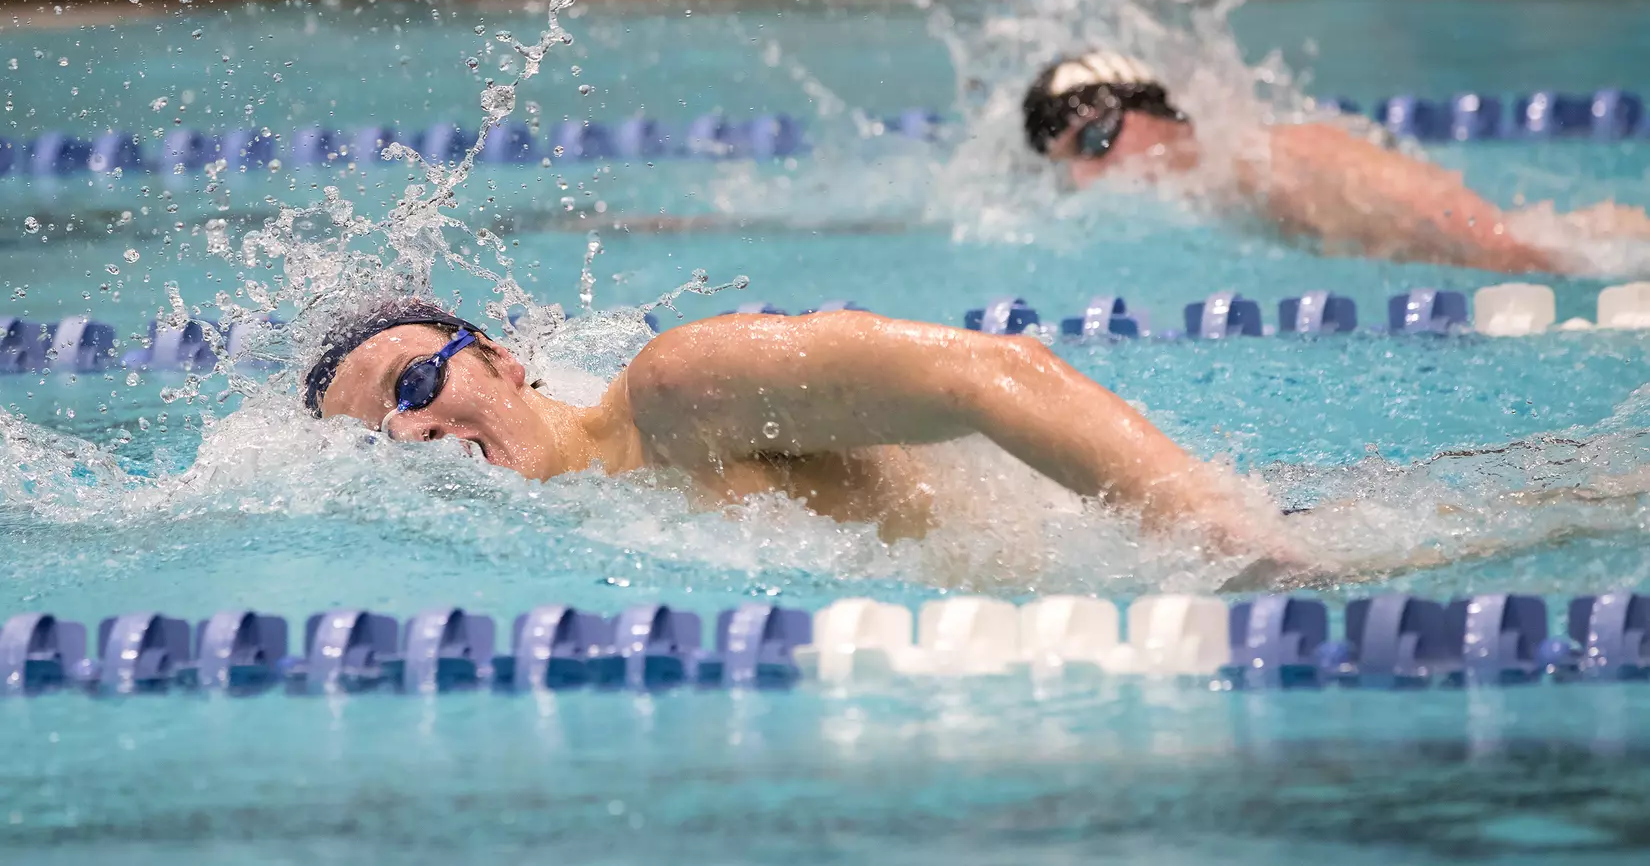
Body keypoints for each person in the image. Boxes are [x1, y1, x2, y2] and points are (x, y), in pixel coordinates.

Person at [305, 297, 1295, 562]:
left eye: (416, 380)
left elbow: (997, 374)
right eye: (379, 429)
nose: (412, 429)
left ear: (504, 358)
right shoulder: (571, 540)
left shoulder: (676, 394)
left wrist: (1228, 538)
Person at [1022, 51, 1650, 274]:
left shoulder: (1275, 158)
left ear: (1156, 110)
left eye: (1096, 138)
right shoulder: (1213, 198)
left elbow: (1499, 243)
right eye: (1068, 164)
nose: (1089, 173)